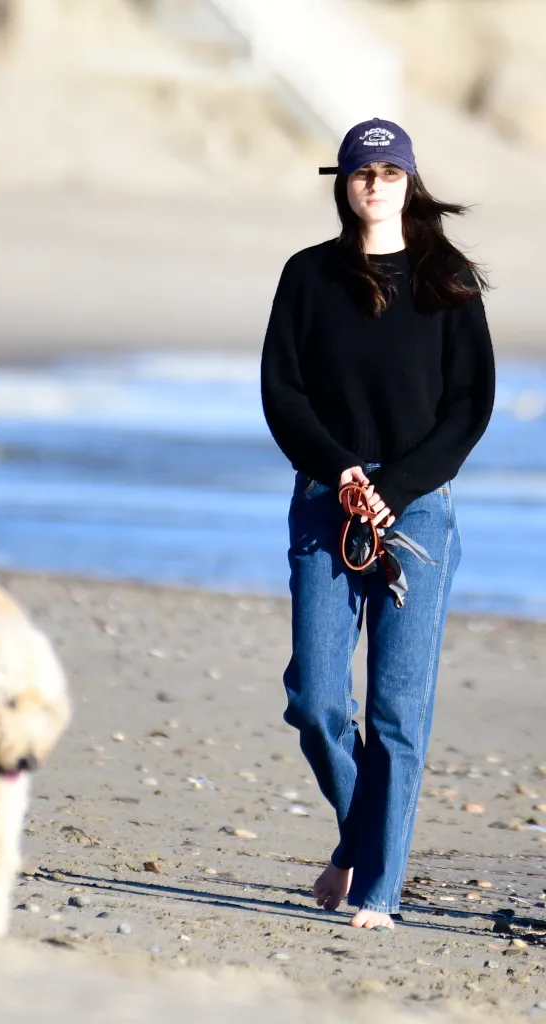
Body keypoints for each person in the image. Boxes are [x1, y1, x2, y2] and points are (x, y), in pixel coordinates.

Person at [260, 118, 495, 930]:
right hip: (327, 503)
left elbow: (470, 408)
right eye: (364, 171)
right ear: (345, 183)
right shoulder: (308, 277)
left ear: (410, 183)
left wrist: (394, 486)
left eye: (392, 171)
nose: (376, 183)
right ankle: (361, 838)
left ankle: (378, 891)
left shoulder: (448, 279)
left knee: (397, 712)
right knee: (317, 699)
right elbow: (281, 394)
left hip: (418, 510)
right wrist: (342, 470)